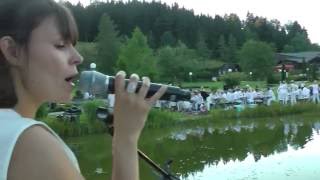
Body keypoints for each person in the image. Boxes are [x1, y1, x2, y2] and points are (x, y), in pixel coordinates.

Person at [0, 0, 167, 180]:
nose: (78, 57)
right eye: (60, 45)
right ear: (12, 51)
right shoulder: (30, 141)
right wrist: (126, 139)